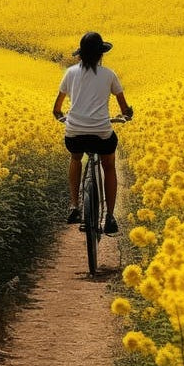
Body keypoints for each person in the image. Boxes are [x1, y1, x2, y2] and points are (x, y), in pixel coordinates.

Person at [52, 32, 133, 235]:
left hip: (74, 133)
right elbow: (124, 107)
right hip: (101, 134)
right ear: (100, 55)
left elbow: (57, 108)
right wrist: (126, 114)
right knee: (109, 166)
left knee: (76, 158)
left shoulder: (70, 73)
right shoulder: (109, 75)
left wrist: (62, 116)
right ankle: (110, 217)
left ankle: (74, 206)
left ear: (80, 55)